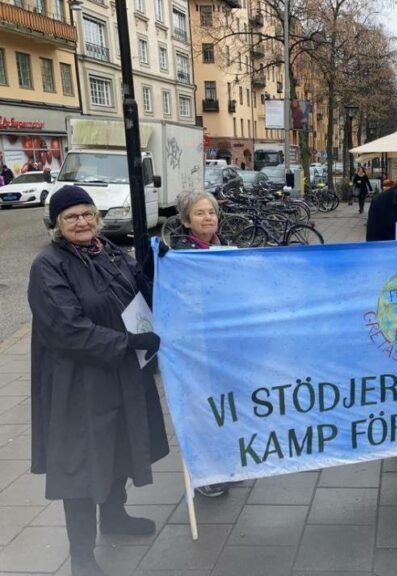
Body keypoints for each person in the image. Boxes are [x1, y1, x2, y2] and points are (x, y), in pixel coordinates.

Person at [27, 185, 168, 576]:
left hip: (121, 371)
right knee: (82, 462)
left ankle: (115, 516)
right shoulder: (48, 265)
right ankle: (81, 553)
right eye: (71, 217)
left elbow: (137, 288)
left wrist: (160, 268)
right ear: (57, 224)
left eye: (87, 213)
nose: (82, 222)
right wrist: (128, 342)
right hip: (78, 382)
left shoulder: (107, 251)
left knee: (120, 443)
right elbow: (67, 327)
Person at [169, 191, 238, 496]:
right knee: (201, 410)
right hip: (196, 345)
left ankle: (222, 463)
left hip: (222, 342)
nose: (208, 217)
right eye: (199, 213)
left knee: (221, 406)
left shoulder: (221, 246)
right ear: (185, 220)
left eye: (211, 212)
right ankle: (205, 474)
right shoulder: (180, 256)